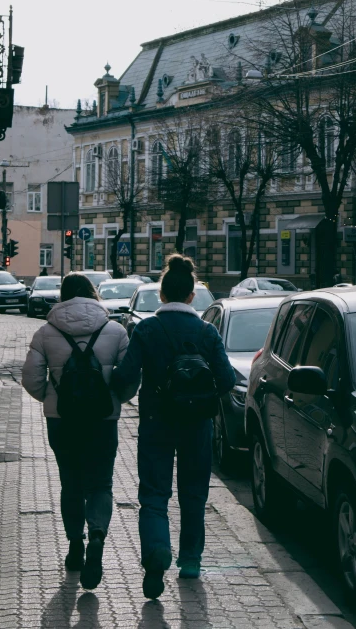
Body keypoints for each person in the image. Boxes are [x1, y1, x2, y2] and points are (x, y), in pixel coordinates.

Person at [111, 254, 235, 599]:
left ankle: (156, 553)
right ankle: (191, 561)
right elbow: (226, 380)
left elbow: (125, 377)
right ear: (192, 296)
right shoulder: (207, 331)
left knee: (154, 495)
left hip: (155, 423)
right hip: (198, 426)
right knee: (194, 494)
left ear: (162, 295)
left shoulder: (147, 329)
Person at [21, 272, 129, 589]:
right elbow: (129, 379)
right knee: (100, 483)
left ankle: (74, 546)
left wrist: (50, 398)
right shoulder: (116, 331)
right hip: (102, 421)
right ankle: (97, 534)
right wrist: (115, 398)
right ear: (92, 294)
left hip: (62, 421)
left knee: (71, 482)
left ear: (62, 296)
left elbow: (30, 377)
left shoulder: (45, 333)